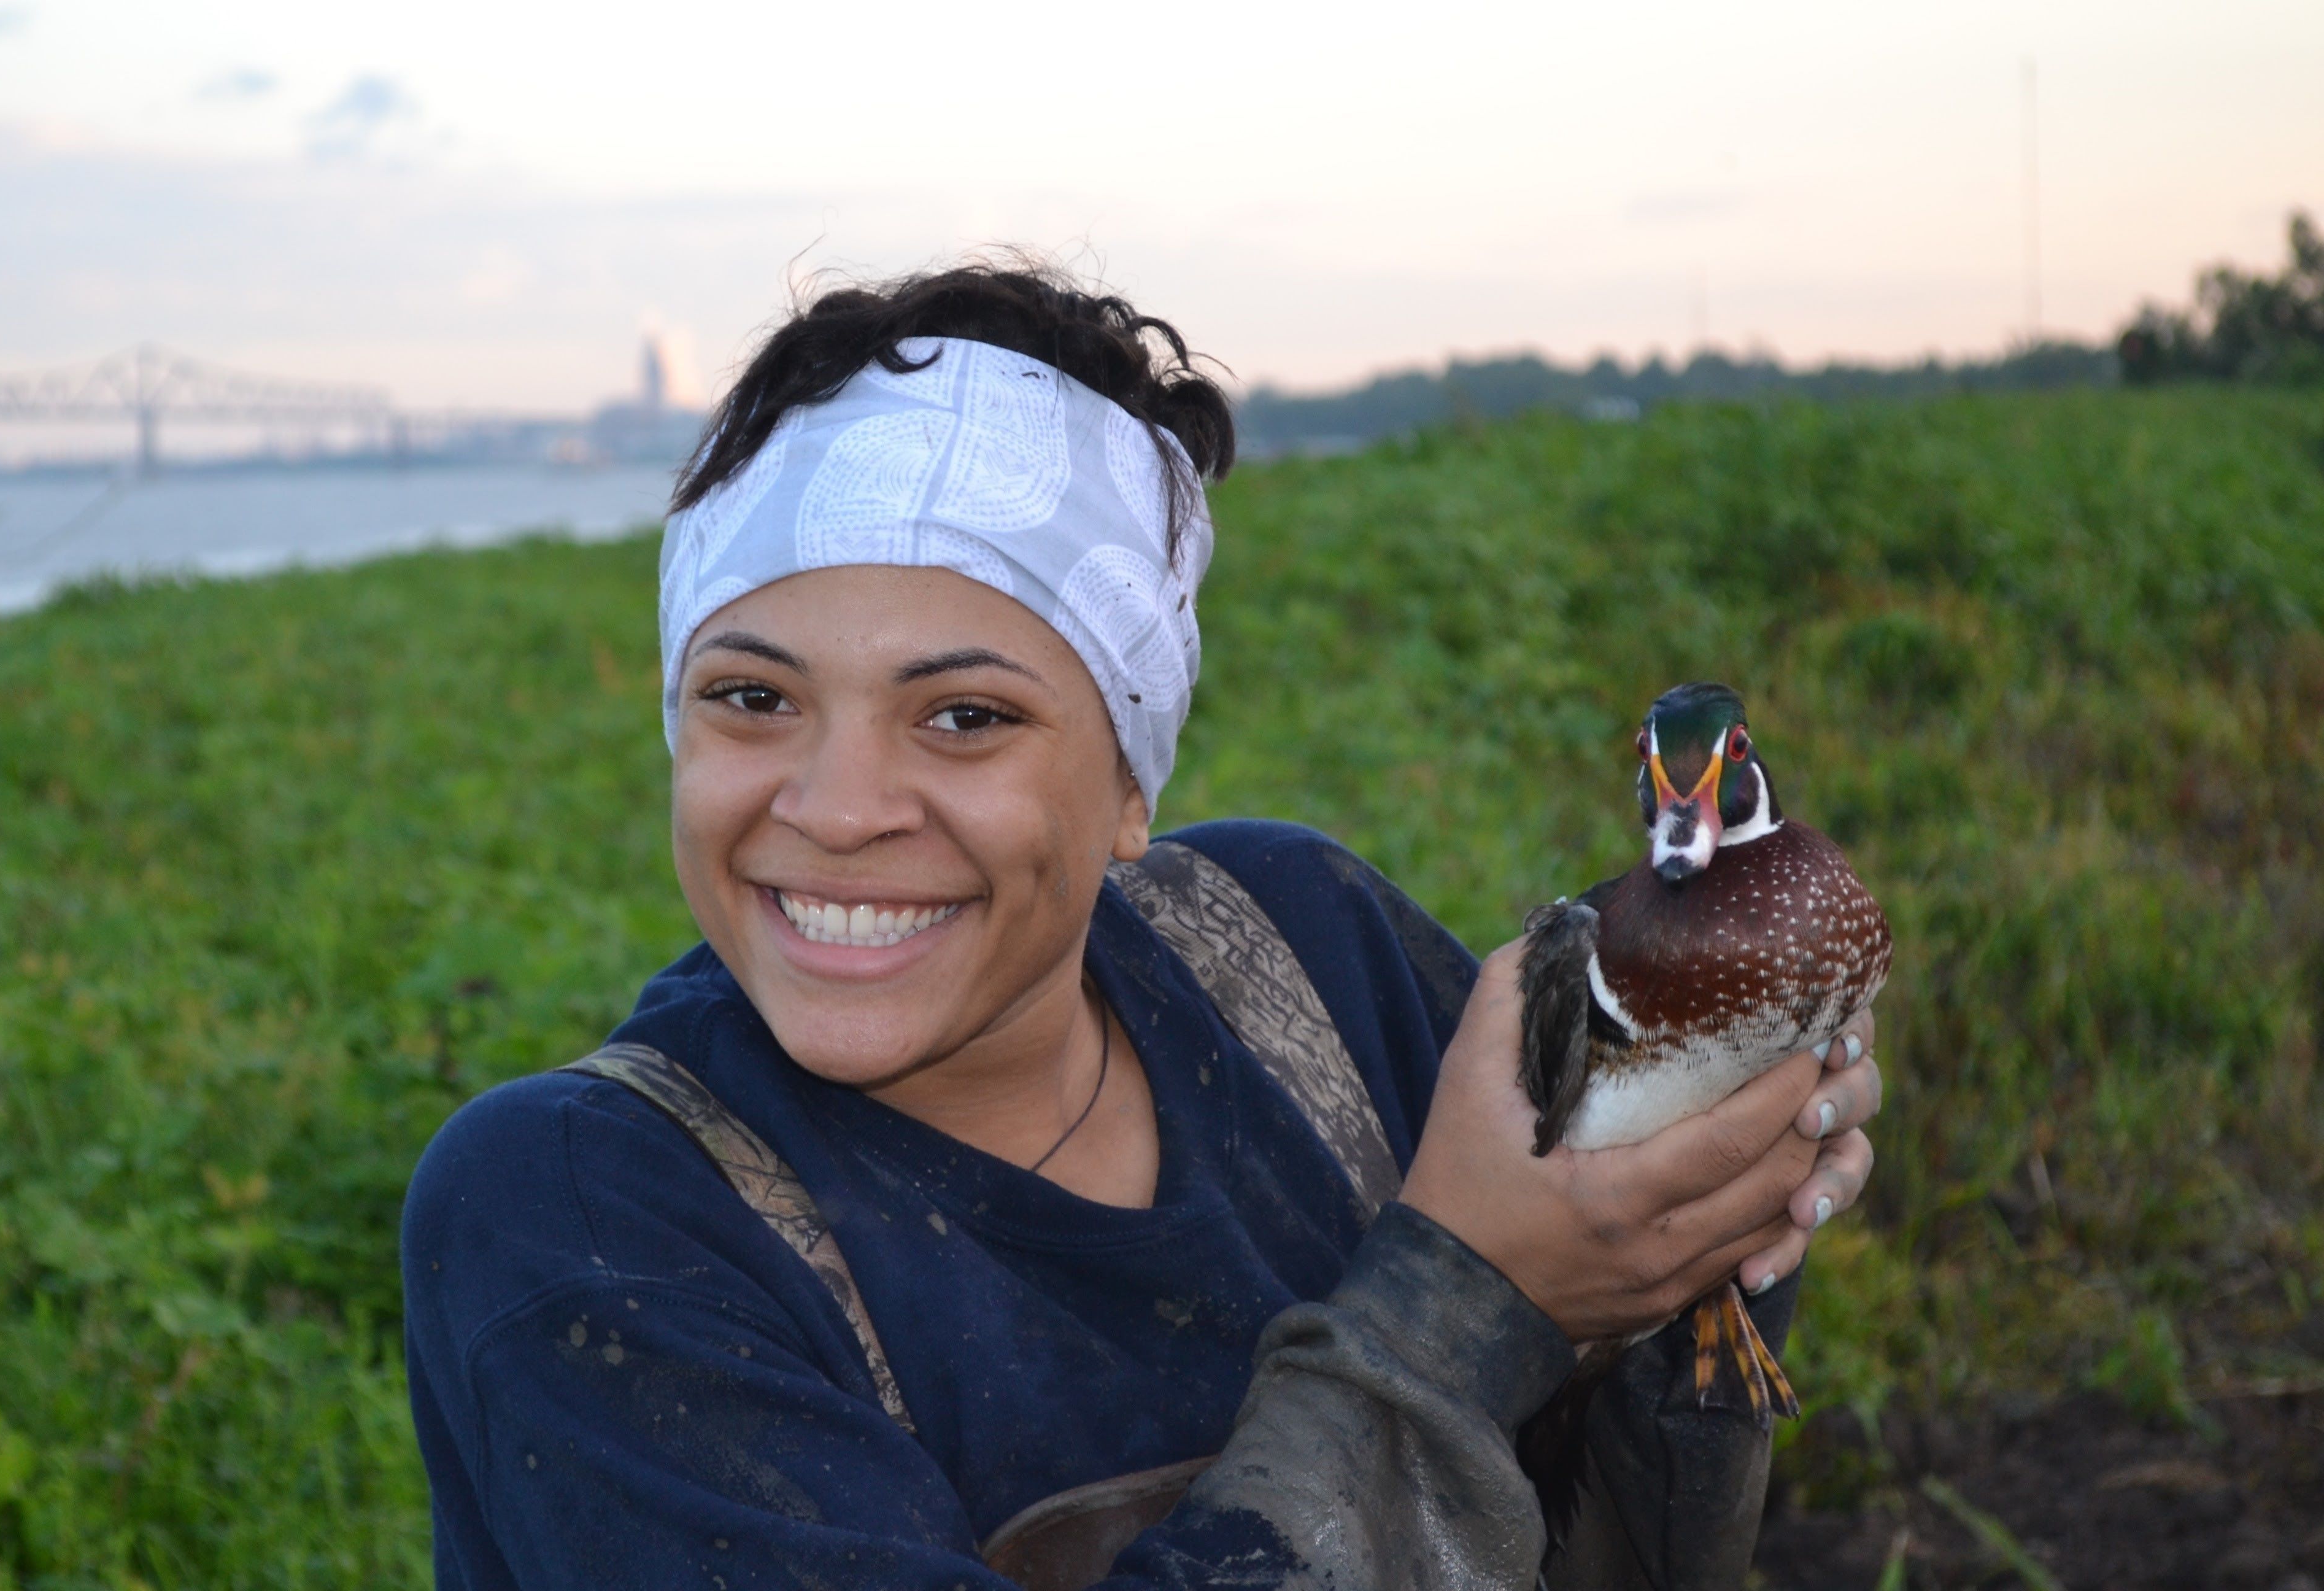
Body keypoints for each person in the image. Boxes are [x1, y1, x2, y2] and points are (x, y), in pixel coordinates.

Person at [400, 265, 1884, 1590]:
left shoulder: (1308, 946)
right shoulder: (582, 1217)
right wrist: (1462, 1309)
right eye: (751, 697)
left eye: (965, 716)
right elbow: (1501, 1299)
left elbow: (1640, 1458)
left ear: (1129, 783)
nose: (839, 808)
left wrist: (1723, 1163)